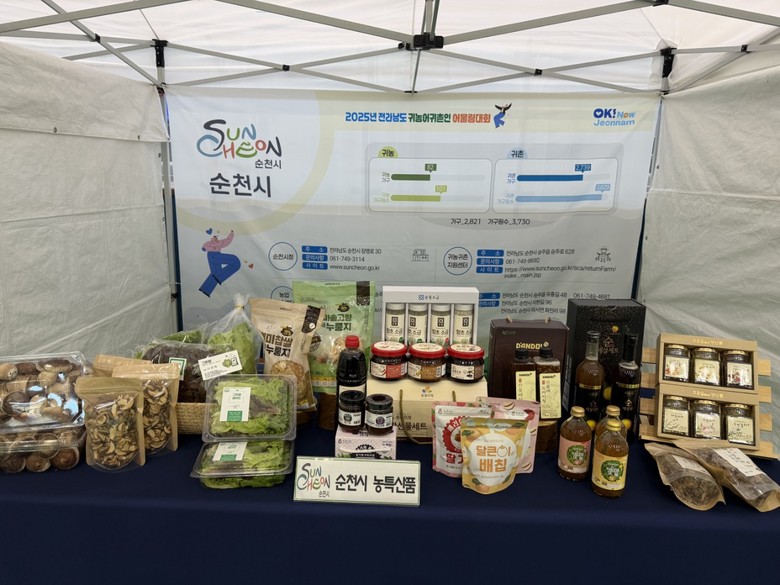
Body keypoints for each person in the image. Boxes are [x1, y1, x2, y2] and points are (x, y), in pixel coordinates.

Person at [198, 230, 240, 297]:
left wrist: (231, 234)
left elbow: (227, 241)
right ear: (211, 238)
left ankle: (206, 289)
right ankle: (218, 277)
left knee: (216, 271)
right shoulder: (209, 242)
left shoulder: (220, 242)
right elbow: (204, 247)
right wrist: (210, 248)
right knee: (235, 261)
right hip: (212, 256)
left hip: (217, 255)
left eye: (216, 237)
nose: (215, 238)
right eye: (214, 237)